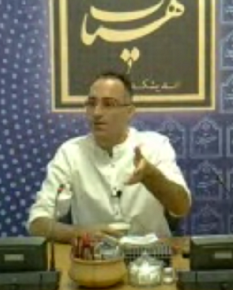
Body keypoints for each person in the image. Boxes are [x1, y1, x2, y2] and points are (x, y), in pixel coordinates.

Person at [27, 71, 191, 242]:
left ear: (129, 111)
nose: (97, 112)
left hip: (151, 254)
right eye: (91, 103)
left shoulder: (155, 146)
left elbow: (181, 207)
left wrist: (151, 176)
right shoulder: (70, 152)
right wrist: (81, 234)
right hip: (94, 255)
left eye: (109, 104)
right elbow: (37, 223)